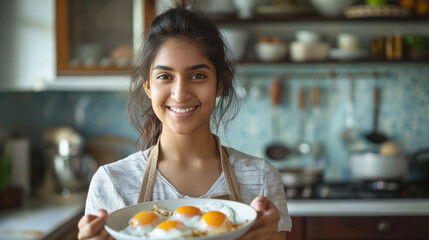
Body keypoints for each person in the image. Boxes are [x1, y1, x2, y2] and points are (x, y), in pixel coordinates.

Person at [77, 4, 292, 240]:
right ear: (147, 86)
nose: (180, 94)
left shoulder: (261, 178)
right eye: (165, 77)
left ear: (220, 82)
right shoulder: (112, 182)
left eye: (197, 76)